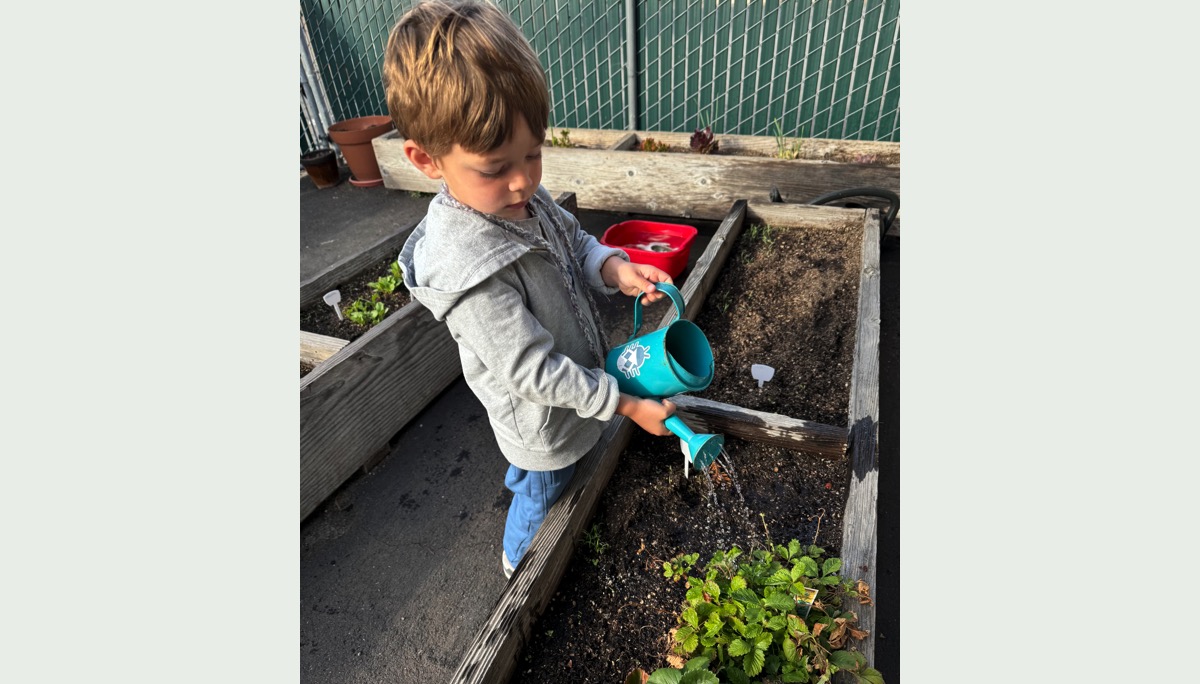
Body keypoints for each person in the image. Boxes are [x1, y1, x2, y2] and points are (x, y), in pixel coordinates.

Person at [384, 0, 678, 579]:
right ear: (426, 160)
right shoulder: (470, 270)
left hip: (575, 396)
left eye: (534, 153)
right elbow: (534, 373)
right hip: (541, 421)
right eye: (495, 167)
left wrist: (615, 267)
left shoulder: (520, 197)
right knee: (543, 489)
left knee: (558, 474)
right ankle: (520, 566)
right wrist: (625, 403)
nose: (524, 179)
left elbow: (573, 241)